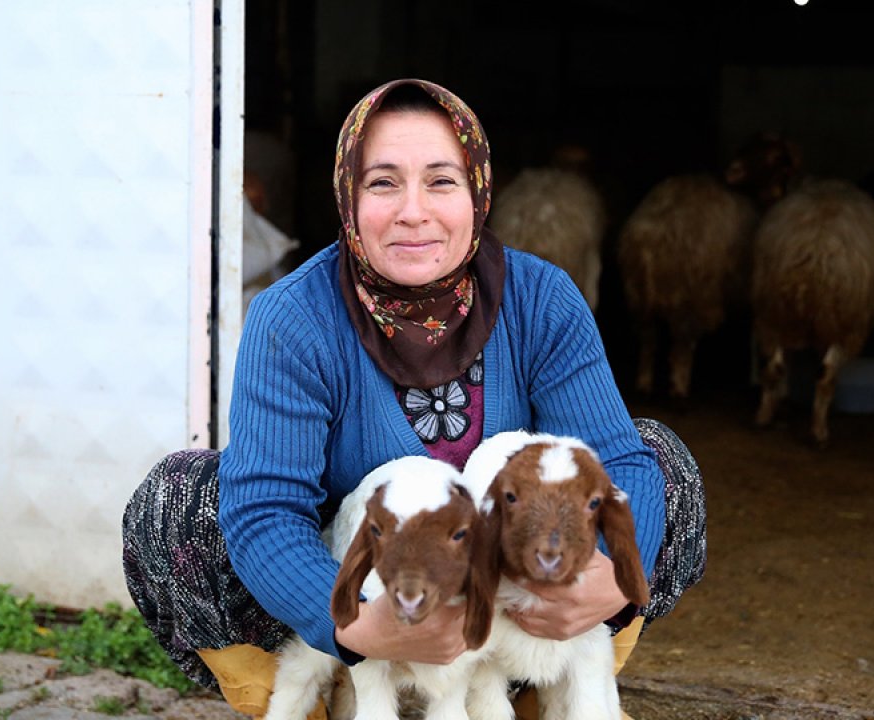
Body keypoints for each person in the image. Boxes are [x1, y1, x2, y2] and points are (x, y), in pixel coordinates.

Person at [122, 78, 706, 719]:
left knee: (662, 470)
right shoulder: (294, 319)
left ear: (478, 191)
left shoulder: (542, 299)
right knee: (178, 502)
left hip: (514, 601)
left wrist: (605, 580)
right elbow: (265, 511)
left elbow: (617, 463)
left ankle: (545, 690)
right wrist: (353, 622)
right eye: (382, 183)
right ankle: (315, 701)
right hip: (375, 600)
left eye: (441, 181)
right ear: (347, 195)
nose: (413, 211)